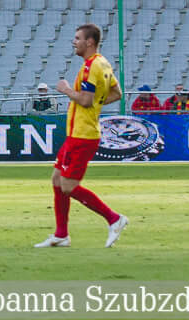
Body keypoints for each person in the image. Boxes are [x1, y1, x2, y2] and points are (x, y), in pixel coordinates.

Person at [34, 23, 126, 249]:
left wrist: (65, 89)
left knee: (68, 186)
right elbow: (117, 93)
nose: (74, 42)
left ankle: (114, 218)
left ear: (90, 42)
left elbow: (85, 100)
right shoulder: (103, 63)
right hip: (76, 133)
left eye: (77, 38)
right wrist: (96, 104)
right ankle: (61, 234)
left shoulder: (90, 67)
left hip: (83, 135)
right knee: (57, 180)